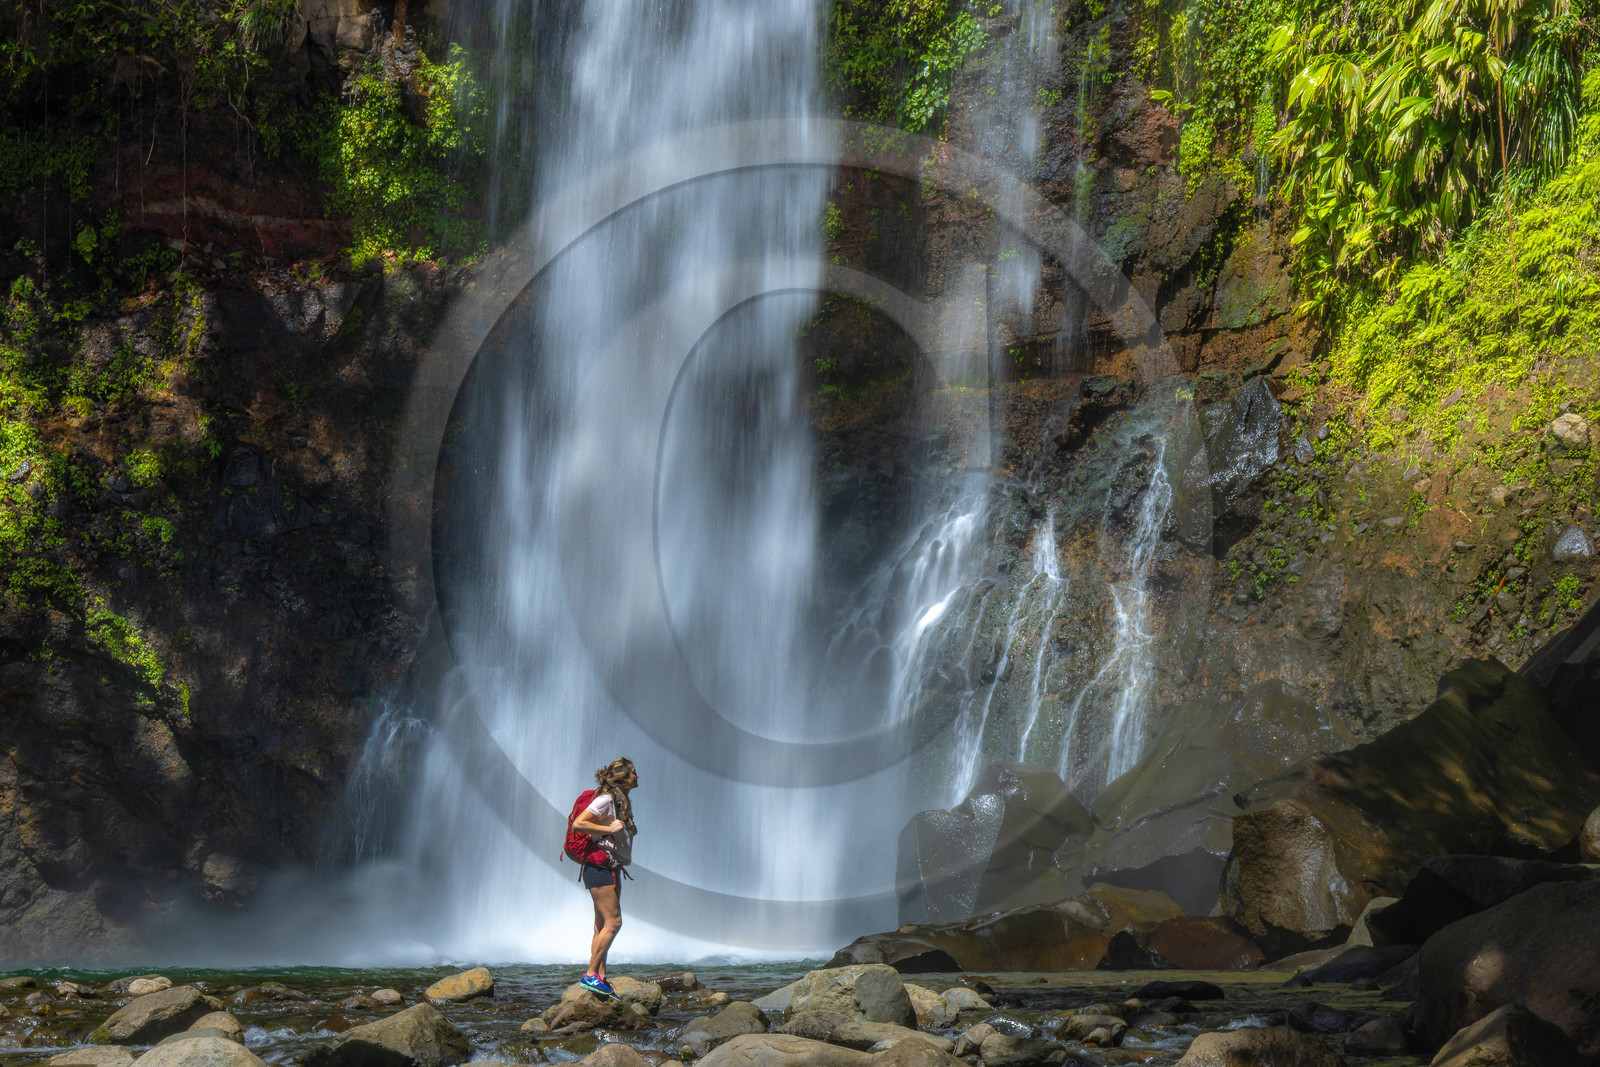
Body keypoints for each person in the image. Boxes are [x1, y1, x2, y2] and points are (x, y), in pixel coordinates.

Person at [569, 757, 638, 998]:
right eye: (633, 773)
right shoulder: (606, 799)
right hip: (599, 868)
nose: (637, 777)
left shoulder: (618, 800)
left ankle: (600, 976)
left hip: (609, 867)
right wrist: (609, 829)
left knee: (601, 925)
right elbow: (580, 823)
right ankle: (590, 975)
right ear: (622, 777)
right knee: (614, 923)